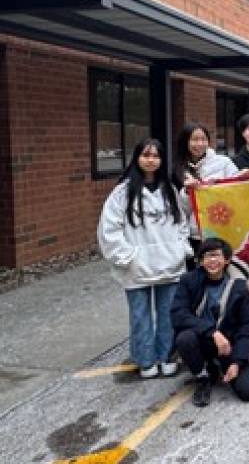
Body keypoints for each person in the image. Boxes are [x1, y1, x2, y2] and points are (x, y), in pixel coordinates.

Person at [97, 138, 190, 378]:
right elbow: (109, 229)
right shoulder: (123, 192)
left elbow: (182, 223)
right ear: (137, 158)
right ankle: (146, 359)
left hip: (169, 263)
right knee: (140, 316)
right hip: (137, 265)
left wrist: (180, 249)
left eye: (156, 156)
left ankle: (167, 356)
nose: (151, 160)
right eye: (146, 155)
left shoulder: (169, 190)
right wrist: (126, 257)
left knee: (168, 314)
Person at [171, 238, 249, 407]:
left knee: (248, 391)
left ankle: (218, 365)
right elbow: (178, 314)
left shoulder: (240, 287)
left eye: (216, 255)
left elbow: (246, 328)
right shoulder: (189, 281)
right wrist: (213, 332)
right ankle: (202, 377)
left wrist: (237, 362)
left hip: (227, 346)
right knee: (184, 338)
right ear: (201, 261)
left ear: (227, 260)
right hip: (202, 340)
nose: (212, 260)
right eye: (207, 256)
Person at [173, 122, 240, 269]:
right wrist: (188, 192)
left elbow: (238, 192)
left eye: (203, 139)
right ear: (185, 142)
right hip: (195, 234)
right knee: (198, 276)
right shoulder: (179, 169)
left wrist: (240, 179)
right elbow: (181, 210)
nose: (200, 144)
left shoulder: (223, 163)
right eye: (194, 139)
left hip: (221, 231)